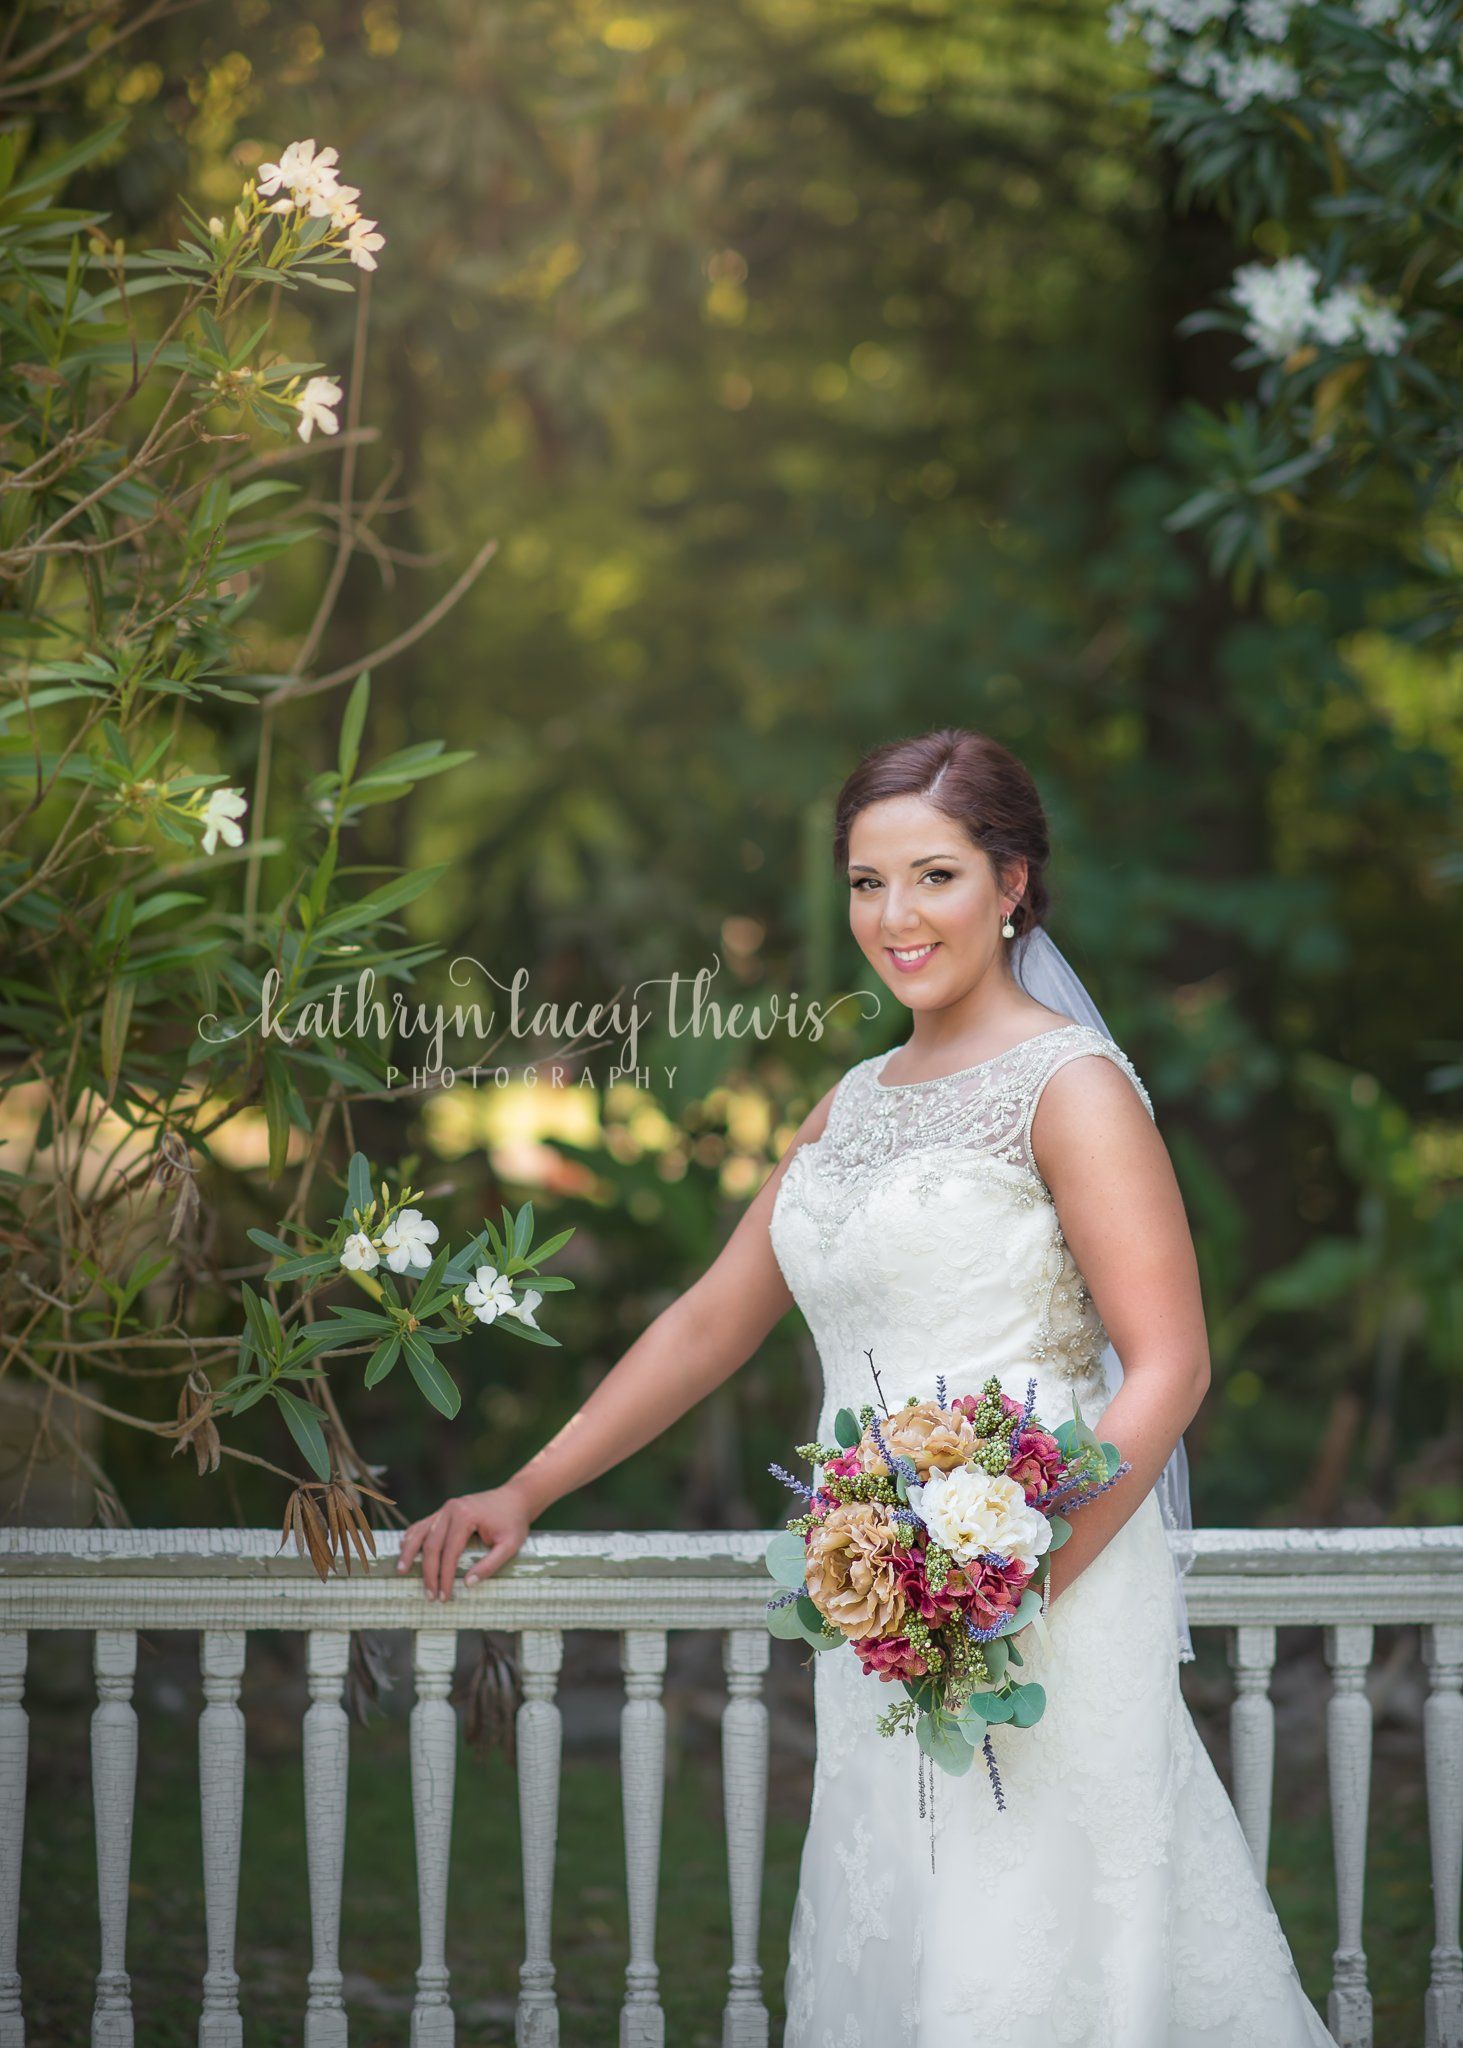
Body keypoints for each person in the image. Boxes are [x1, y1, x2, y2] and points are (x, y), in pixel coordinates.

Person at [397, 726, 1337, 2046]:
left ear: (1012, 884)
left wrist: (1015, 1581)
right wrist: (527, 1485)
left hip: (1046, 1591)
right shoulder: (852, 1102)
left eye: (935, 876)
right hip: (884, 1604)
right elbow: (711, 1322)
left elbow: (1171, 1362)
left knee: (1039, 1945)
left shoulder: (1071, 1088)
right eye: (866, 882)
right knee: (902, 1929)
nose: (896, 916)